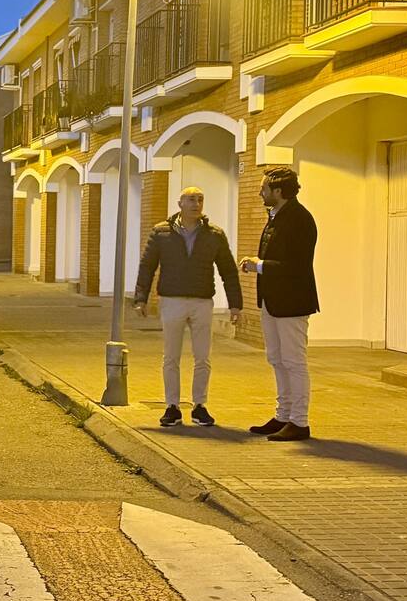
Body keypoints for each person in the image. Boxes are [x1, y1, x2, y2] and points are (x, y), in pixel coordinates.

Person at [134, 187, 242, 428]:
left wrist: (235, 304)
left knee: (203, 356)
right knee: (171, 356)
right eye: (191, 199)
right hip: (172, 300)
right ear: (180, 203)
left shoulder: (214, 234)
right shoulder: (162, 232)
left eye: (200, 199)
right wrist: (140, 298)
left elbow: (228, 270)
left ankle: (200, 405)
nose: (196, 204)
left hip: (202, 301)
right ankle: (172, 406)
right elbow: (147, 266)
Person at [240, 166, 318, 442]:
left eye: (265, 188)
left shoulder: (299, 219)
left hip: (292, 302)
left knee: (294, 361)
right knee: (276, 359)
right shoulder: (277, 216)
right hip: (273, 302)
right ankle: (283, 414)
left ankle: (299, 421)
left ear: (279, 191)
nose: (260, 192)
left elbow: (296, 266)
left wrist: (258, 265)